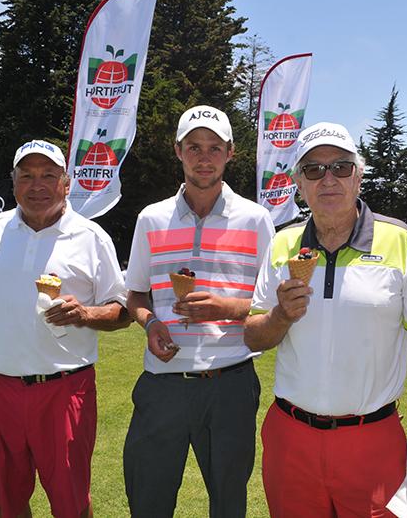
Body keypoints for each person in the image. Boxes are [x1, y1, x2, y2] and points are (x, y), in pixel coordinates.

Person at [245, 122, 407, 517]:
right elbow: (253, 336)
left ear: (359, 176)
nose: (328, 179)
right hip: (291, 438)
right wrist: (281, 316)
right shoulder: (283, 243)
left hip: (373, 439)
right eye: (314, 169)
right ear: (299, 184)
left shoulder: (400, 240)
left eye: (340, 167)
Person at [0, 139, 131, 518]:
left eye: (49, 176)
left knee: (72, 503)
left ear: (66, 184)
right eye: (27, 176)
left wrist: (85, 314)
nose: (37, 185)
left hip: (65, 390)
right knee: (8, 502)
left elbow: (123, 311)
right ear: (14, 183)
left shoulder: (91, 237)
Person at [123, 105, 275, 517]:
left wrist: (227, 308)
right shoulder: (151, 219)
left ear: (230, 152)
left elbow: (272, 306)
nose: (204, 158)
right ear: (178, 151)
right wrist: (150, 323)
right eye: (194, 147)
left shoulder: (256, 220)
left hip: (230, 383)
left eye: (214, 148)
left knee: (228, 505)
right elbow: (135, 295)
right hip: (163, 384)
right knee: (148, 502)